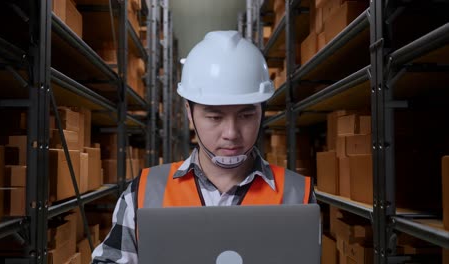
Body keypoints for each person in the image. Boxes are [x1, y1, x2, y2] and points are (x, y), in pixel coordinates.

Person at [91, 30, 316, 263]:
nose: (231, 134)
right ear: (189, 113)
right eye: (215, 117)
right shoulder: (144, 192)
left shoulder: (297, 194)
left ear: (261, 111)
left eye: (246, 115)